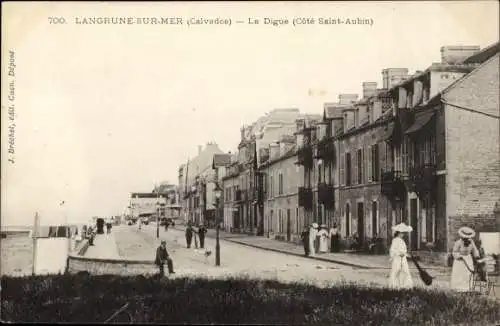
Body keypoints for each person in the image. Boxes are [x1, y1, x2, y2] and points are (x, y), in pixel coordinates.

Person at [451, 226, 480, 292]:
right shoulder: (458, 242)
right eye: (465, 238)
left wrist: (477, 256)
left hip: (468, 259)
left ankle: (468, 287)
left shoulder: (471, 242)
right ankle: (458, 288)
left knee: (468, 273)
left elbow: (474, 249)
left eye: (467, 238)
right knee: (460, 274)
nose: (466, 240)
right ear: (462, 237)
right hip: (460, 260)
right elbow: (454, 252)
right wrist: (459, 256)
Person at [388, 223, 413, 289]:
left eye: (403, 233)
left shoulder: (402, 241)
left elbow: (404, 250)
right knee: (396, 271)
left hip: (403, 259)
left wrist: (406, 254)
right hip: (397, 259)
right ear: (398, 233)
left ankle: (405, 286)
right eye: (401, 233)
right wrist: (399, 254)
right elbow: (392, 250)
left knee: (405, 271)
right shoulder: (395, 240)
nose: (403, 234)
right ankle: (394, 286)